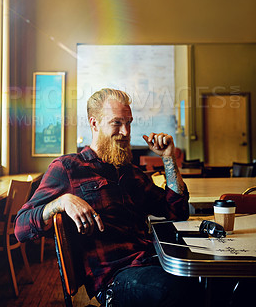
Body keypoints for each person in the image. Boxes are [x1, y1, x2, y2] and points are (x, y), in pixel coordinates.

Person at [15, 88, 196, 307]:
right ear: (94, 123)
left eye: (129, 123)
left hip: (151, 261)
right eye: (117, 123)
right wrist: (61, 202)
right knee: (175, 290)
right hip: (115, 280)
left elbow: (177, 212)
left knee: (209, 281)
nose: (126, 132)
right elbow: (21, 227)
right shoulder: (68, 168)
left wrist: (168, 159)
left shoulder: (131, 173)